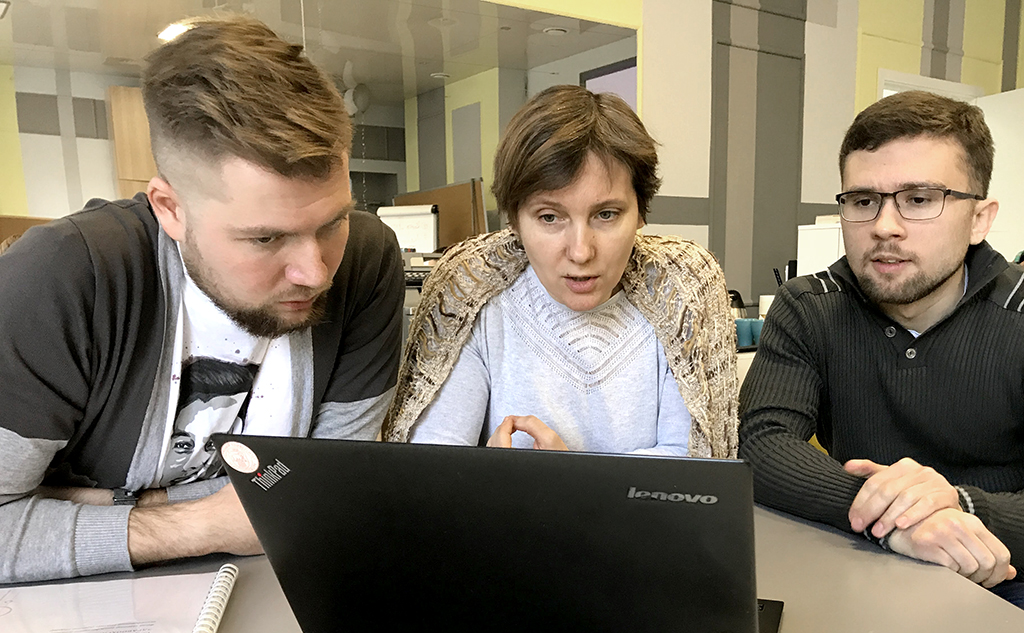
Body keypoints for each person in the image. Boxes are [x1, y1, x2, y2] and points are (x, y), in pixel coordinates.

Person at [0, 15, 404, 583]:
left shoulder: (368, 259)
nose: (315, 273)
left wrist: (104, 507)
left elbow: (329, 490)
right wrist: (206, 524)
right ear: (169, 209)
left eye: (333, 222)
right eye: (265, 239)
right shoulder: (61, 278)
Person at [738, 90, 1024, 605]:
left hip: (1003, 577)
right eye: (863, 200)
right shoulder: (809, 307)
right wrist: (895, 521)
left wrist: (962, 508)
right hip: (862, 559)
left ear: (980, 219)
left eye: (920, 199)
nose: (884, 227)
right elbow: (762, 444)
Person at [382, 85, 738, 459]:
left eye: (606, 214)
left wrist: (563, 478)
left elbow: (692, 469)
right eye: (550, 217)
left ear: (640, 213)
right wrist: (488, 476)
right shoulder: (471, 301)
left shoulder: (682, 295)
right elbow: (432, 464)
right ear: (514, 222)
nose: (581, 252)